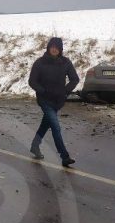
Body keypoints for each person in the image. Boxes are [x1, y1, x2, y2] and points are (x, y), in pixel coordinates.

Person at [28, 37, 80, 167]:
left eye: (57, 47)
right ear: (48, 47)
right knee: (56, 127)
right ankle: (64, 156)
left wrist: (65, 91)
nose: (54, 49)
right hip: (45, 99)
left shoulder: (65, 62)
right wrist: (42, 91)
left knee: (46, 123)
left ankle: (35, 146)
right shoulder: (40, 63)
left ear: (60, 49)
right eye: (52, 46)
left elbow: (75, 79)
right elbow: (32, 81)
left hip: (58, 100)